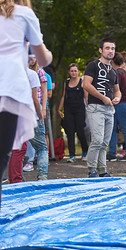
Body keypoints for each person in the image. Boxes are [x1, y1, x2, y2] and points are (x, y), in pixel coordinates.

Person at [0, 0, 52, 206]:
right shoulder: (23, 14)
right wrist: (46, 54)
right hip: (10, 88)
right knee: (2, 151)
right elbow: (43, 58)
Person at [82, 38, 121, 177]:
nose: (110, 51)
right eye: (107, 48)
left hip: (110, 109)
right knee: (97, 140)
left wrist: (118, 97)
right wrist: (103, 97)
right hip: (96, 107)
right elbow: (86, 85)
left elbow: (117, 90)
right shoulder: (93, 65)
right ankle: (92, 169)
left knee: (105, 142)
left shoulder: (113, 71)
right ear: (101, 50)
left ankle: (102, 170)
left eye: (112, 48)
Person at [58, 63, 89, 162]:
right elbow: (63, 95)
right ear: (69, 72)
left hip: (80, 109)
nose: (73, 72)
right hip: (68, 110)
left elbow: (86, 96)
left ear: (78, 71)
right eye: (72, 71)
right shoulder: (66, 82)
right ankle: (72, 155)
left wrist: (89, 108)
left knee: (80, 131)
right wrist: (59, 108)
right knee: (70, 132)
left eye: (75, 70)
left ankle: (85, 152)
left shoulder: (82, 81)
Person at [108, 52, 126, 161]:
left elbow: (114, 88)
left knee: (115, 128)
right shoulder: (125, 72)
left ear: (113, 61)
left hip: (119, 102)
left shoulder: (115, 73)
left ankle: (115, 153)